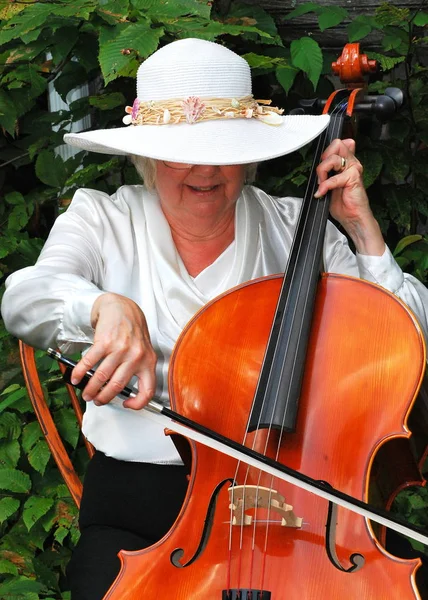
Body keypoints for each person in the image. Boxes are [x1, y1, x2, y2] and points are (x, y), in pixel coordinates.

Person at [2, 38, 428, 600]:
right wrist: (102, 305)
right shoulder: (103, 219)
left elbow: (402, 335)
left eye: (223, 149)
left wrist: (363, 230)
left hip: (296, 508)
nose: (204, 170)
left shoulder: (295, 226)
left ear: (249, 154)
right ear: (148, 154)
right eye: (183, 151)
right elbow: (24, 296)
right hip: (138, 510)